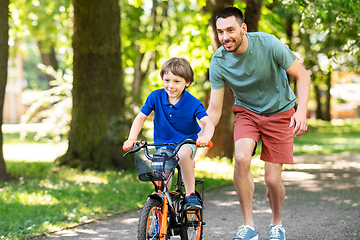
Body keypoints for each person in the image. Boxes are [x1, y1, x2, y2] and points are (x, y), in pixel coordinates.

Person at [206, 6, 311, 240]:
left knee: (272, 180)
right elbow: (214, 110)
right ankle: (249, 227)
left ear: (243, 28)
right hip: (247, 112)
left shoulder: (268, 44)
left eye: (230, 30)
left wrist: (301, 112)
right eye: (220, 32)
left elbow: (303, 75)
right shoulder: (219, 61)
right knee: (241, 159)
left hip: (280, 111)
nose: (225, 37)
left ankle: (276, 225)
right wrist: (200, 137)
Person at [123, 57, 214, 210]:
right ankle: (161, 211)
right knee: (162, 181)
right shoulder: (155, 96)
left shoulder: (193, 103)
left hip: (186, 143)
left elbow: (208, 123)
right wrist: (132, 138)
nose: (170, 85)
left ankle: (190, 195)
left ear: (187, 82)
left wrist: (205, 138)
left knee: (183, 155)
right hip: (164, 144)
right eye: (167, 80)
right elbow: (140, 118)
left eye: (176, 81)